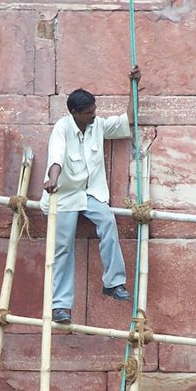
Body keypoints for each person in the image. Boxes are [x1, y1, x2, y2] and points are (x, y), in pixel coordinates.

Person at [42, 67, 141, 325]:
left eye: (94, 111)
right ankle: (61, 306)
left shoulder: (97, 125)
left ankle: (113, 282)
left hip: (90, 194)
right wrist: (52, 180)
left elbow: (127, 120)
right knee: (63, 247)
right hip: (64, 194)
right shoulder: (62, 129)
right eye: (89, 113)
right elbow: (56, 156)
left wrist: (133, 85)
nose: (94, 115)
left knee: (107, 221)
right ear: (74, 113)